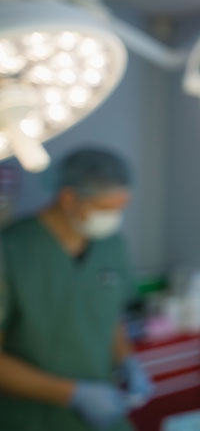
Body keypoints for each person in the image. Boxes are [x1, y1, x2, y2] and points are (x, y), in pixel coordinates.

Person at [0, 147, 154, 431]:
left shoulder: (112, 244)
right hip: (32, 419)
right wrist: (72, 394)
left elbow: (108, 314)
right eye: (105, 209)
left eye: (120, 208)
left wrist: (127, 361)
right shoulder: (10, 250)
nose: (114, 217)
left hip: (102, 415)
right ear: (69, 198)